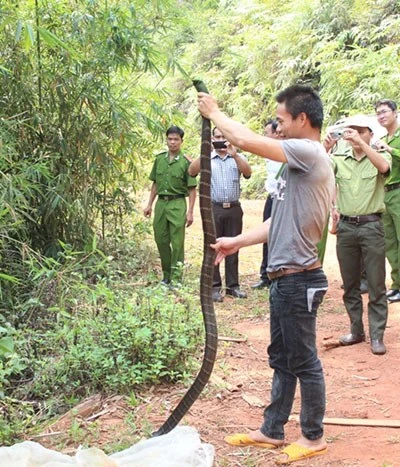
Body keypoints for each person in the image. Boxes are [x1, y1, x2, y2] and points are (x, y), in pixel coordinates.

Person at [197, 84, 334, 464]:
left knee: (304, 360)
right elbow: (278, 223)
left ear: (302, 119)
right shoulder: (297, 167)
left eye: (283, 119)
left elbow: (245, 140)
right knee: (282, 357)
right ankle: (272, 429)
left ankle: (312, 436)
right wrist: (237, 241)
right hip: (284, 278)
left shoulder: (308, 152)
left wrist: (215, 112)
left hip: (299, 278)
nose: (279, 127)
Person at [324, 116, 390, 356]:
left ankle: (377, 335)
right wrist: (326, 148)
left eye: (360, 131)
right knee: (350, 283)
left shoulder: (379, 155)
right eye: (350, 132)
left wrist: (363, 145)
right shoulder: (339, 159)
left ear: (370, 134)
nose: (353, 135)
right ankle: (356, 330)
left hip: (372, 226)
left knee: (375, 283)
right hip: (346, 228)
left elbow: (384, 168)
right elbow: (319, 168)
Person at [188, 127, 252, 302]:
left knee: (234, 246)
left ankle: (233, 286)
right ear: (212, 139)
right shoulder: (207, 159)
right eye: (217, 137)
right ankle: (214, 287)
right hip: (213, 209)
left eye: (224, 137)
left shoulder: (236, 158)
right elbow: (191, 171)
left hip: (233, 208)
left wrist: (236, 154)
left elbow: (248, 172)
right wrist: (205, 151)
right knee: (213, 247)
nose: (221, 141)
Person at [143, 126, 197, 285]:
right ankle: (166, 276)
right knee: (161, 239)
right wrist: (149, 205)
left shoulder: (186, 162)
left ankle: (176, 278)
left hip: (177, 203)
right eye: (170, 139)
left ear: (181, 141)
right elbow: (155, 184)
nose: (172, 142)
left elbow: (192, 189)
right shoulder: (160, 159)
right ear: (166, 140)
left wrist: (191, 212)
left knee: (177, 242)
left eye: (176, 139)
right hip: (161, 204)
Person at [374, 99, 400, 303]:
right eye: (378, 113)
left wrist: (389, 150)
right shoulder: (383, 138)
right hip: (386, 193)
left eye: (384, 112)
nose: (381, 116)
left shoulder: (393, 140)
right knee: (390, 242)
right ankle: (397, 284)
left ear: (395, 112)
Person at [251, 119, 282, 289]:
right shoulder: (269, 152)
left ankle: (278, 273)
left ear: (277, 133)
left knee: (280, 236)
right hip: (271, 197)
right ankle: (265, 275)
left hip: (284, 198)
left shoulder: (289, 151)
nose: (265, 136)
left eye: (267, 133)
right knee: (266, 235)